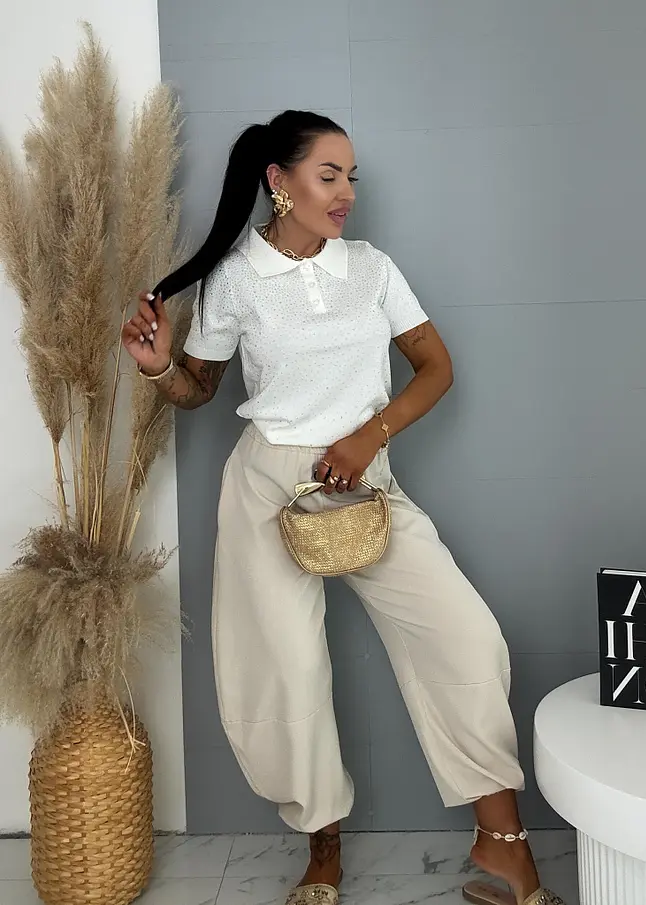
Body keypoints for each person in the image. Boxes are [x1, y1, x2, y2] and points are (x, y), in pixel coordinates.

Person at [123, 110, 565, 905]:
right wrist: (159, 368)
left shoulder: (370, 268)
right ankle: (322, 847)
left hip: (363, 480)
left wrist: (368, 437)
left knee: (466, 639)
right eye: (328, 175)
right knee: (285, 672)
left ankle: (500, 842)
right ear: (278, 181)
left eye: (350, 177)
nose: (346, 193)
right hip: (266, 486)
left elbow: (435, 367)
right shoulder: (234, 278)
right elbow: (198, 390)